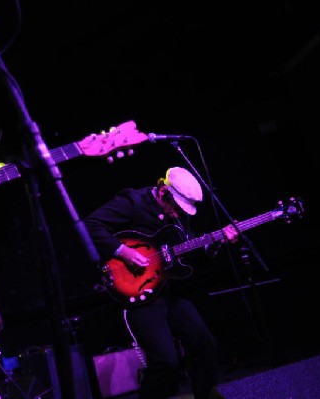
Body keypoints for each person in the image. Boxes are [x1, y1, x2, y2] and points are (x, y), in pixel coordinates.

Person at [84, 166, 239, 399]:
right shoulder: (133, 201)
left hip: (170, 289)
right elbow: (90, 225)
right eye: (176, 208)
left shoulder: (178, 217)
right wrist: (123, 251)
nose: (178, 214)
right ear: (163, 192)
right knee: (166, 363)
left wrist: (215, 243)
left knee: (204, 345)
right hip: (140, 292)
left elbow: (187, 251)